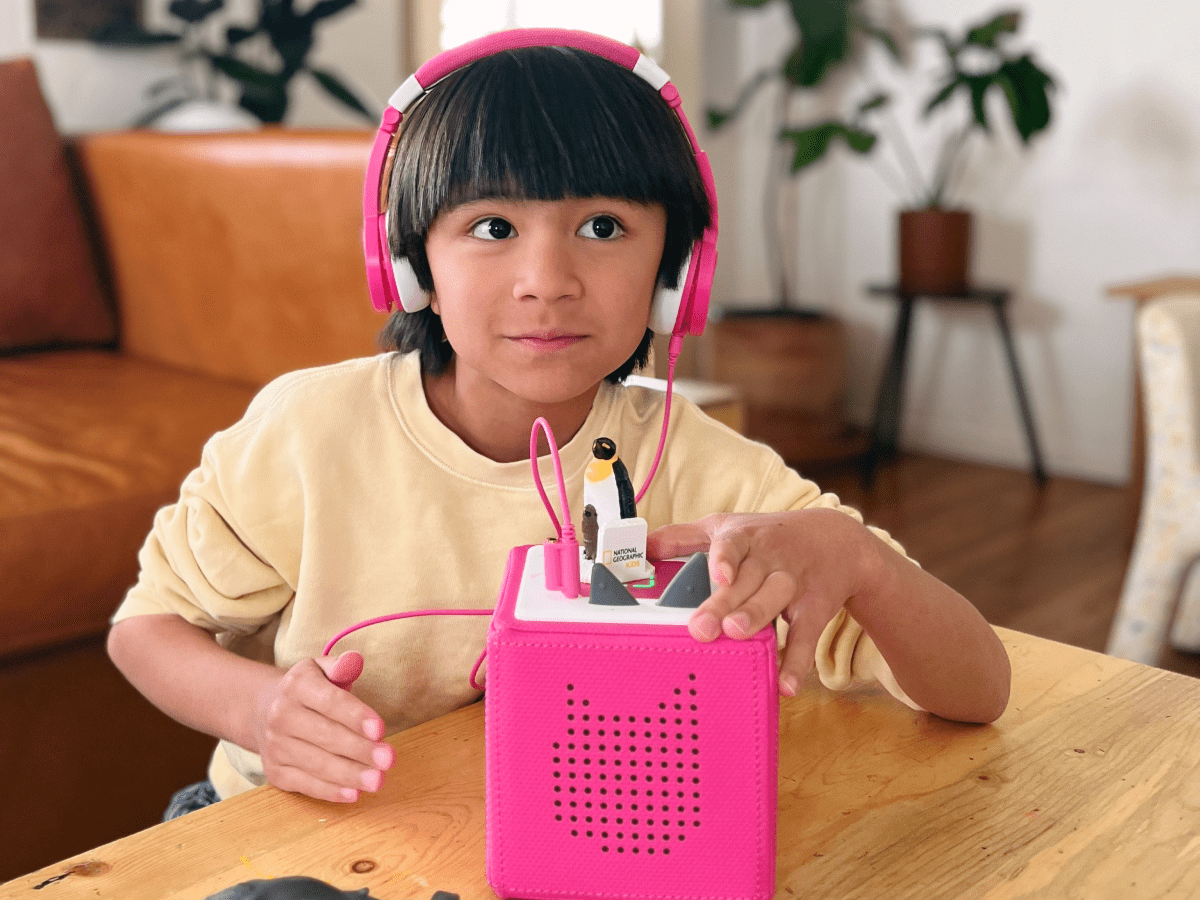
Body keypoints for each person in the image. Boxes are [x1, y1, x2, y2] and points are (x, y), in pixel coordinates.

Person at [106, 34, 1010, 818]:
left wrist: (856, 558)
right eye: (493, 225)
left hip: (571, 833)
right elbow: (146, 628)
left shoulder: (702, 470)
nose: (548, 279)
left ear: (675, 275)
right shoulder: (306, 433)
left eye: (604, 226)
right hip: (290, 826)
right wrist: (258, 710)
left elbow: (979, 689)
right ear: (412, 264)